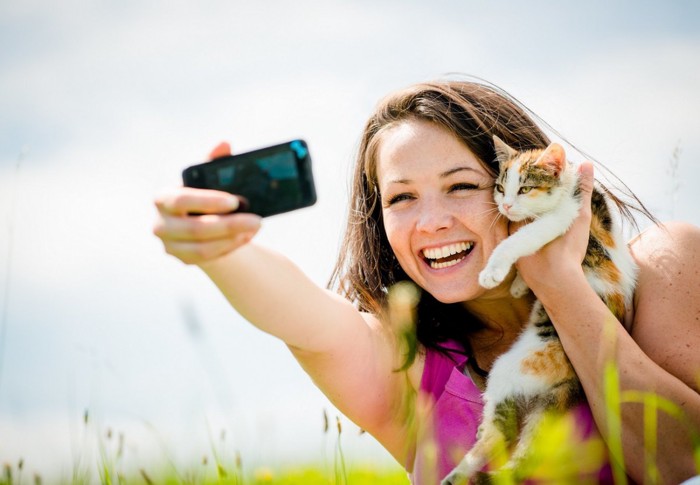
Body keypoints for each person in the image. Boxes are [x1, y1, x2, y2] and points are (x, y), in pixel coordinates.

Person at [153, 80, 700, 484]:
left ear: (519, 182)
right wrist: (220, 251)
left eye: (460, 186)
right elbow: (302, 318)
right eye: (401, 197)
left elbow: (674, 459)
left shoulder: (660, 266)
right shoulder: (411, 364)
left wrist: (559, 286)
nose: (430, 221)